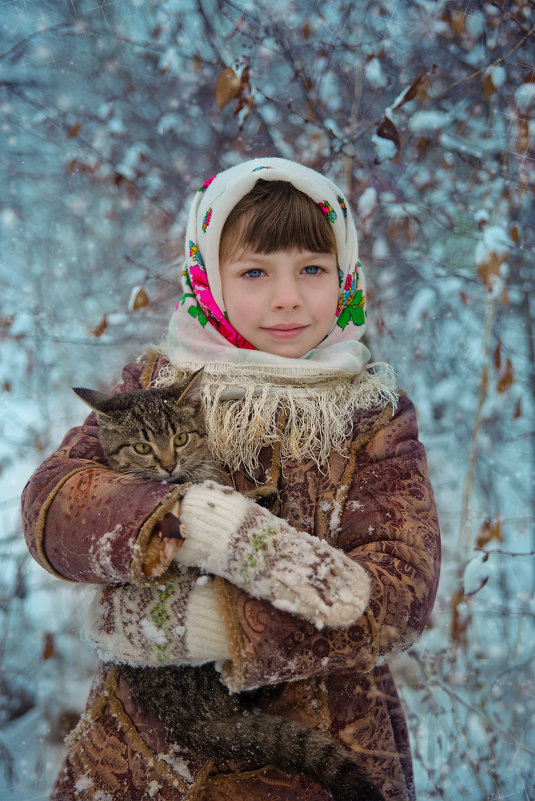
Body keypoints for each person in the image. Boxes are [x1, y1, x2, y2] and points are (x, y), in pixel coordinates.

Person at [21, 157, 441, 800]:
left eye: (312, 269)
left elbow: (401, 591)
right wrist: (184, 522)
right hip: (144, 760)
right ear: (208, 279)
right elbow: (52, 505)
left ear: (345, 275)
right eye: (253, 272)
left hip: (324, 753)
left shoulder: (372, 416)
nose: (286, 297)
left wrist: (220, 624)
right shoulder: (157, 383)